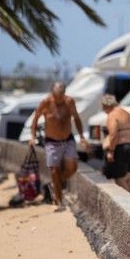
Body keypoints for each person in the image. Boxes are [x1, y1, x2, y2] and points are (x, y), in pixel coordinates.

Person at [29, 81, 88, 211]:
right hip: (52, 141)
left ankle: (55, 184)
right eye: (57, 96)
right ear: (52, 94)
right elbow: (35, 119)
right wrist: (32, 137)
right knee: (54, 171)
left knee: (73, 167)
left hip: (68, 139)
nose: (59, 99)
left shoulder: (69, 102)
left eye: (62, 96)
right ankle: (59, 200)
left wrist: (82, 136)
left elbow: (76, 118)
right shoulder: (46, 102)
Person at [100, 94, 130, 194]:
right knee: (128, 178)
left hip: (122, 148)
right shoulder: (126, 113)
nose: (103, 110)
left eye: (103, 107)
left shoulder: (112, 115)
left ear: (106, 105)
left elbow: (113, 134)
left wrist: (111, 151)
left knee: (119, 179)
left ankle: (128, 205)